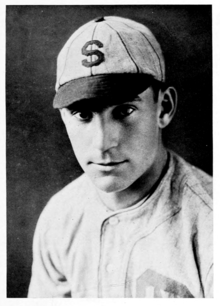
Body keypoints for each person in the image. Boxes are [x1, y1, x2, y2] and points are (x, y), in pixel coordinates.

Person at [28, 16, 213, 298]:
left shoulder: (210, 223)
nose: (103, 143)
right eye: (83, 114)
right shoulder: (60, 217)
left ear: (163, 107)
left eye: (124, 111)